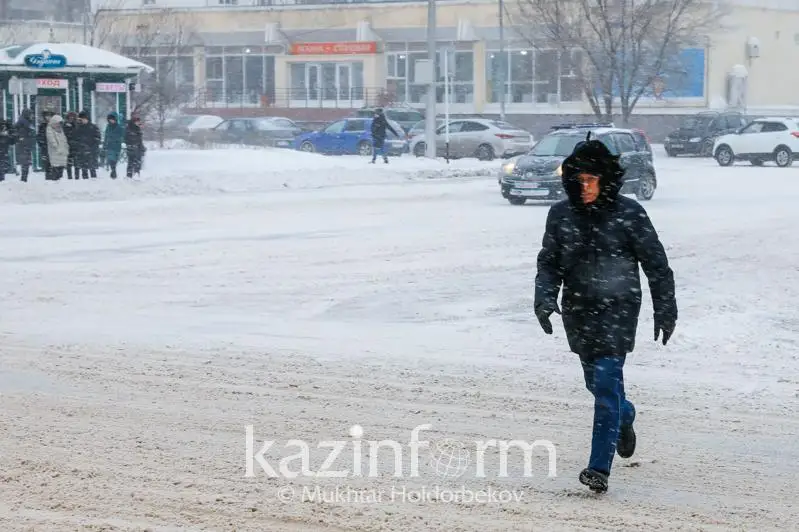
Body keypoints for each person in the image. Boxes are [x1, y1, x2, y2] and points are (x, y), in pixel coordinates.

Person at [533, 133, 677, 494]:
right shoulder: (560, 214)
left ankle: (599, 468)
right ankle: (625, 415)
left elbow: (656, 265)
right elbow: (549, 262)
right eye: (577, 180)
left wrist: (665, 308)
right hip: (578, 309)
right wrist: (544, 297)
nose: (583, 187)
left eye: (591, 180)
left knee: (606, 382)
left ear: (606, 179)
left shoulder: (630, 213)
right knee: (596, 384)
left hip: (619, 308)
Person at [75, 111, 101, 179]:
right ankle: (85, 182)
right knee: (84, 169)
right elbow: (76, 139)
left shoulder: (93, 127)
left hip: (91, 151)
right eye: (81, 119)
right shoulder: (79, 128)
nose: (83, 120)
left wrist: (93, 148)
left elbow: (97, 138)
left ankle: (93, 181)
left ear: (87, 118)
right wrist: (81, 146)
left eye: (84, 118)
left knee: (92, 169)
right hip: (82, 151)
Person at [14, 109, 36, 182]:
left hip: (24, 146)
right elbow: (23, 135)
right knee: (25, 163)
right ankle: (23, 180)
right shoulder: (25, 123)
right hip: (24, 146)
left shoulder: (24, 122)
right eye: (30, 114)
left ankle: (24, 179)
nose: (32, 116)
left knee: (25, 163)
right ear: (27, 115)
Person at [45, 114, 69, 180]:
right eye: (58, 123)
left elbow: (64, 139)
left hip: (62, 151)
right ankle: (54, 179)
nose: (58, 125)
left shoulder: (60, 129)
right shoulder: (49, 129)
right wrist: (57, 146)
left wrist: (66, 147)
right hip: (55, 151)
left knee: (60, 167)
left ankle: (58, 179)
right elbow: (52, 140)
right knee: (55, 167)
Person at [102, 113, 124, 178]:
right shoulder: (108, 127)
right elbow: (106, 136)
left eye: (112, 119)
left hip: (117, 146)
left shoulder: (119, 127)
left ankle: (113, 169)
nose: (111, 121)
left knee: (115, 159)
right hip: (110, 145)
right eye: (110, 119)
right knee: (111, 158)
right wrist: (104, 145)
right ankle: (113, 170)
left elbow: (121, 136)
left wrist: (113, 137)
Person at [37, 110, 53, 179]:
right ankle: (48, 178)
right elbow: (39, 137)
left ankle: (54, 178)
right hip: (45, 147)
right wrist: (42, 143)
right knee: (47, 164)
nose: (48, 117)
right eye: (47, 116)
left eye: (49, 116)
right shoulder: (42, 126)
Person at [63, 111, 79, 179]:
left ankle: (76, 177)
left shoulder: (77, 125)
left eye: (73, 117)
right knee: (69, 163)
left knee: (76, 163)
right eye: (70, 117)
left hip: (75, 146)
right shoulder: (65, 125)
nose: (71, 119)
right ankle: (70, 177)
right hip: (68, 146)